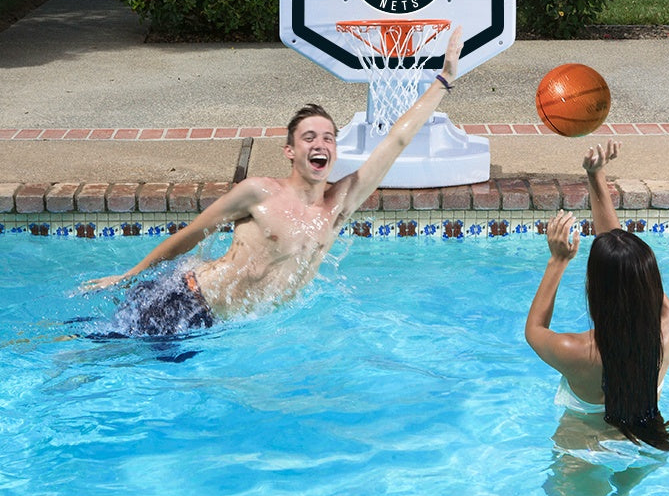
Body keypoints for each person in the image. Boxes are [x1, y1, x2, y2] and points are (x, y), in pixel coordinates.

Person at [81, 27, 463, 337]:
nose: (320, 144)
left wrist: (443, 80)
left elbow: (397, 139)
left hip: (216, 326)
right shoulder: (259, 192)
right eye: (309, 138)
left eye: (328, 138)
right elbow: (193, 234)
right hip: (186, 300)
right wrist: (129, 275)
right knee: (91, 352)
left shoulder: (338, 205)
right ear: (290, 152)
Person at [525, 140, 669, 454]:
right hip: (645, 438)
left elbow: (534, 331)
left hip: (582, 446)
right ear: (650, 284)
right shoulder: (665, 325)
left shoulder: (578, 352)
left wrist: (558, 261)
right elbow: (622, 260)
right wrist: (596, 176)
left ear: (596, 292)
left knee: (571, 488)